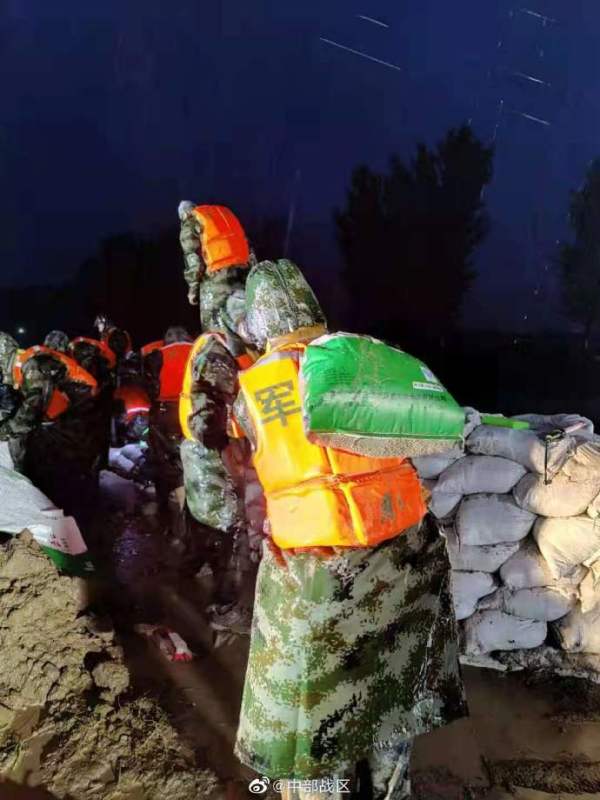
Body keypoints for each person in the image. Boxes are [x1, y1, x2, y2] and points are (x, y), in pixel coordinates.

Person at [232, 260, 467, 800]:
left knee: (312, 714)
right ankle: (390, 790)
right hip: (405, 557)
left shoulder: (253, 392)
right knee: (391, 692)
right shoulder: (360, 357)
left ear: (258, 321)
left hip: (317, 575)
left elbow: (256, 465)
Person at [178, 201, 262, 598]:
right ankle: (221, 597)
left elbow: (194, 266)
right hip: (211, 440)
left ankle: (212, 587)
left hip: (220, 280)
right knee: (225, 521)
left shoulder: (195, 221)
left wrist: (196, 286)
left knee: (222, 519)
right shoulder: (230, 224)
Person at [0, 333, 102, 523]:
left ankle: (71, 519)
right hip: (76, 411)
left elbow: (36, 402)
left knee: (61, 465)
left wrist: (8, 429)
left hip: (81, 413)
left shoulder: (31, 365)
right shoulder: (27, 364)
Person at [142, 326, 193, 509]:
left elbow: (150, 389)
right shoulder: (199, 351)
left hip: (165, 413)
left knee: (165, 463)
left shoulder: (156, 356)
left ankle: (170, 509)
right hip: (192, 410)